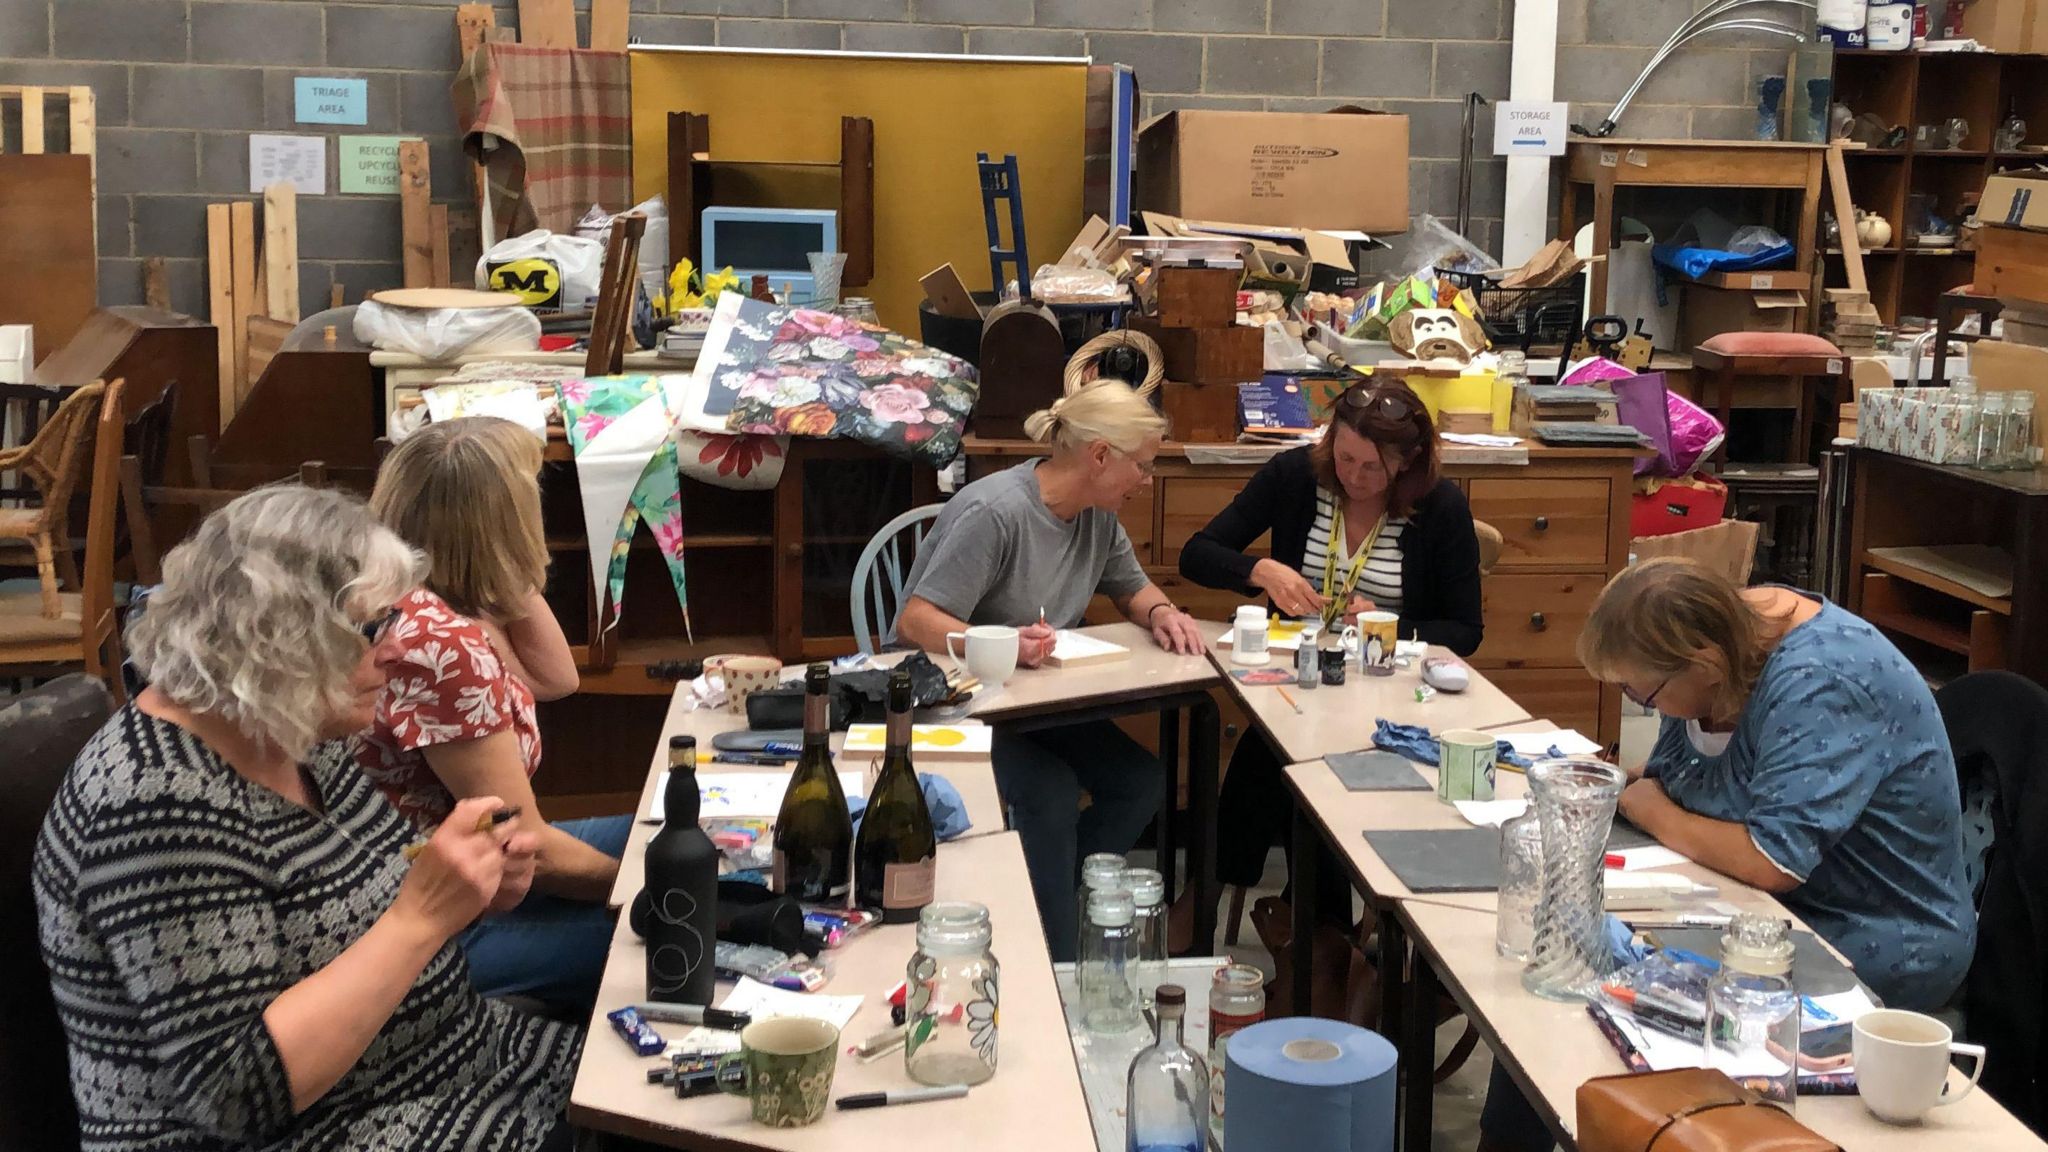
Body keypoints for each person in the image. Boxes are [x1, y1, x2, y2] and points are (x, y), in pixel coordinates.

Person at [34, 486, 578, 1152]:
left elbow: (372, 894)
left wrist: (476, 885)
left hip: (436, 1069)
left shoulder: (292, 733)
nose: (394, 651)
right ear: (280, 639)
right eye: (373, 629)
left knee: (657, 1075)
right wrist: (423, 917)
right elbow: (233, 1094)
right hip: (320, 1130)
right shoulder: (158, 802)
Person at [1478, 557, 1978, 1152]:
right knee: (1563, 968)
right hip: (1760, 911)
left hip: (1872, 933)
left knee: (1611, 1006)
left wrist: (1649, 809)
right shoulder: (1722, 638)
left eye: (1643, 692)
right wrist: (1636, 790)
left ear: (1705, 663)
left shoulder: (1823, 679)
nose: (1647, 707)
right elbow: (1675, 776)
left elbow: (1771, 859)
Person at [894, 379, 1207, 962]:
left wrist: (1162, 611)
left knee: (1141, 781)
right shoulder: (997, 512)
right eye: (1142, 465)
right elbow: (915, 621)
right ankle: (1057, 952)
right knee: (1050, 794)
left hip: (1035, 700)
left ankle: (1046, 902)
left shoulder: (1096, 516)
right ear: (1099, 456)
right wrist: (999, 640)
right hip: (959, 703)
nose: (1147, 479)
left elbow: (1130, 587)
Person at [1178, 379, 1482, 975]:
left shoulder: (1441, 506)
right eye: (1344, 458)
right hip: (1299, 683)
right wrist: (1261, 570)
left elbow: (1466, 630)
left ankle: (1222, 903)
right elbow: (1197, 552)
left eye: (1374, 467)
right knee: (1286, 751)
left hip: (1391, 697)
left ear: (1410, 461)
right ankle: (1316, 937)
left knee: (1295, 767)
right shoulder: (1296, 477)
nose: (1355, 477)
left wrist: (1391, 623)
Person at [359, 416, 628, 1013]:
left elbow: (558, 679)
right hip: (440, 924)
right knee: (679, 923)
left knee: (673, 838)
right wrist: (645, 891)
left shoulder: (436, 604)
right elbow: (528, 844)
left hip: (475, 879)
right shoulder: (440, 647)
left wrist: (501, 566)